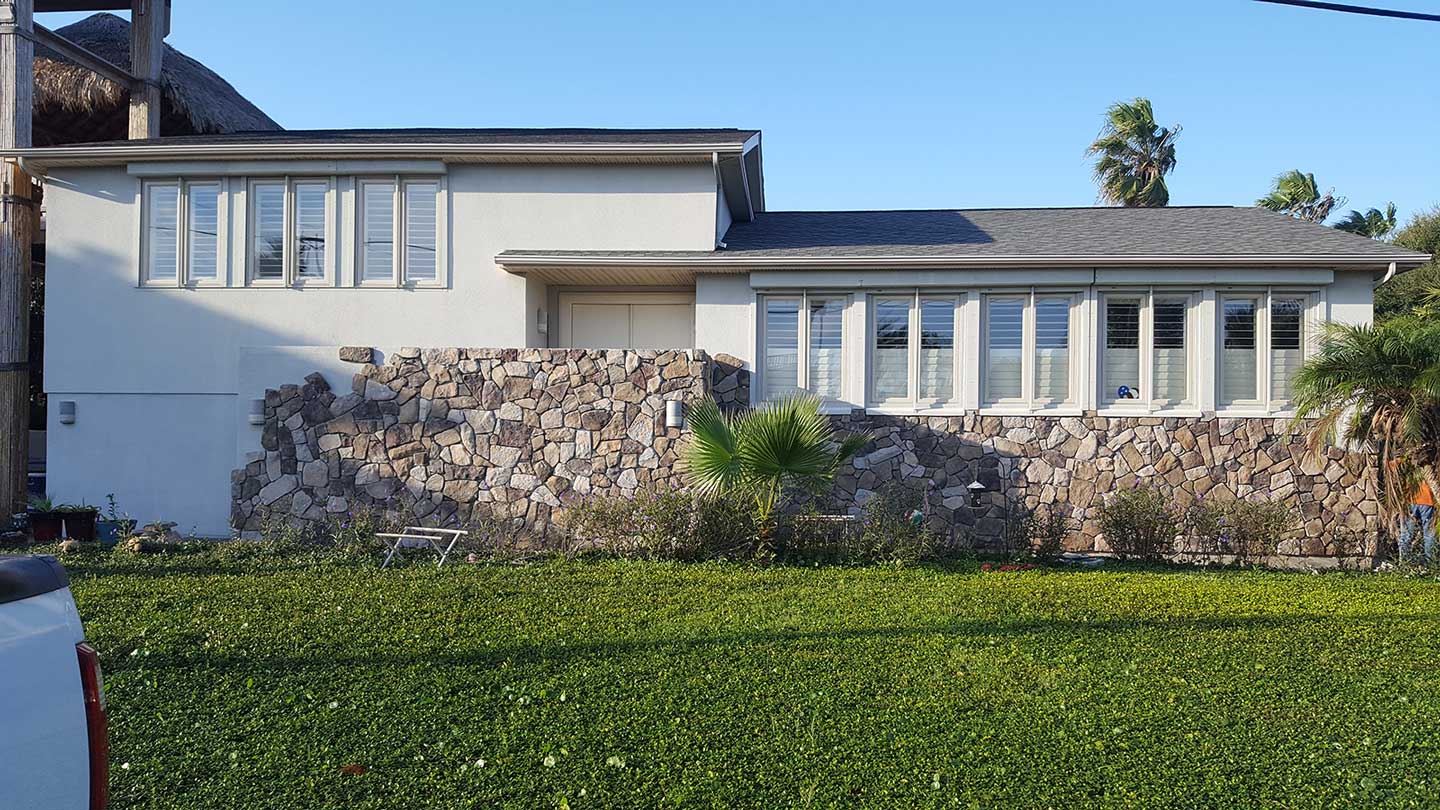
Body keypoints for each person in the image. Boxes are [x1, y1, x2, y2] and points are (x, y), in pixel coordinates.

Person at [1396, 463, 1436, 565]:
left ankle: (1404, 562)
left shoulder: (1408, 461)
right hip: (1428, 501)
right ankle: (1430, 563)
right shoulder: (1432, 460)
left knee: (1406, 534)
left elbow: (1391, 466)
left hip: (1411, 500)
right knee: (1429, 534)